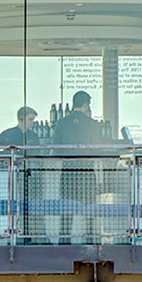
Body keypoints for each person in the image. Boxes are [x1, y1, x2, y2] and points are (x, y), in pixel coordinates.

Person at [51, 91, 108, 244]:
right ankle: (89, 241)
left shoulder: (62, 123)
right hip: (86, 172)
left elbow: (56, 148)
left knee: (66, 210)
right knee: (89, 210)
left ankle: (64, 242)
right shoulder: (93, 124)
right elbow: (97, 148)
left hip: (68, 172)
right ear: (86, 105)